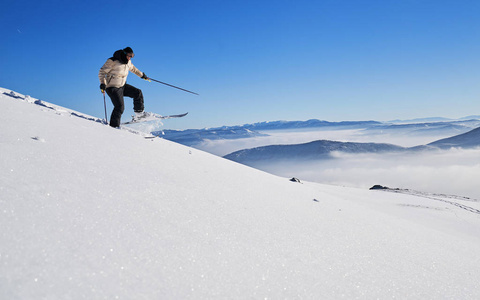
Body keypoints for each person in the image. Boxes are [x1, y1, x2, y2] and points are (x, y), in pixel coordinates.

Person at [98, 47, 149, 127]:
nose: (130, 57)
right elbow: (102, 72)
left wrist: (142, 75)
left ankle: (139, 114)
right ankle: (114, 126)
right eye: (129, 55)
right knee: (119, 107)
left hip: (122, 86)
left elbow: (134, 69)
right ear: (124, 53)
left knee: (137, 92)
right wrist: (102, 83)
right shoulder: (112, 61)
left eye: (132, 56)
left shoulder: (128, 62)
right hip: (112, 87)